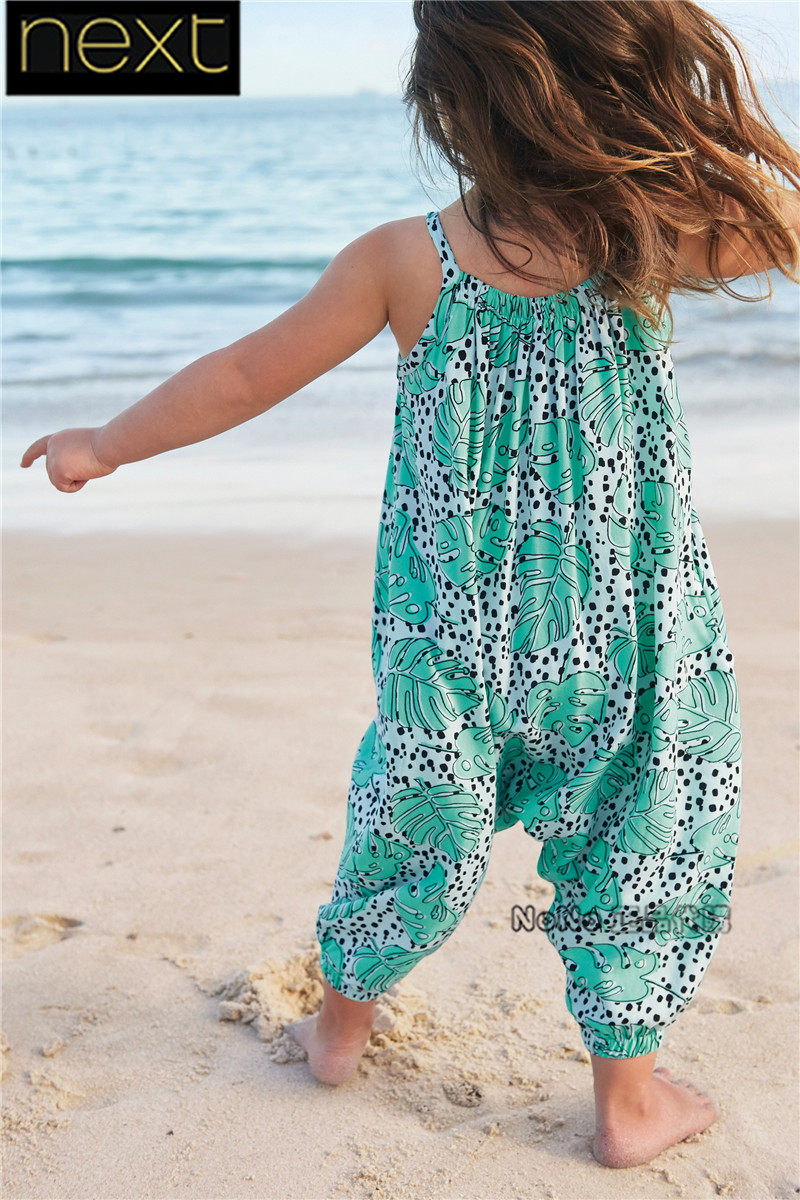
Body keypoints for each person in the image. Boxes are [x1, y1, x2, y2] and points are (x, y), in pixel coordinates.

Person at [20, 0, 799, 1171]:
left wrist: (107, 443)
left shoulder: (403, 259)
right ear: (606, 97)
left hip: (452, 636)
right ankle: (626, 1104)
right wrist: (679, 131)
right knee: (646, 830)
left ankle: (338, 1034)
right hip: (630, 634)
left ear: (445, 112)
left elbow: (244, 373)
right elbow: (786, 217)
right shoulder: (647, 236)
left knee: (410, 821)